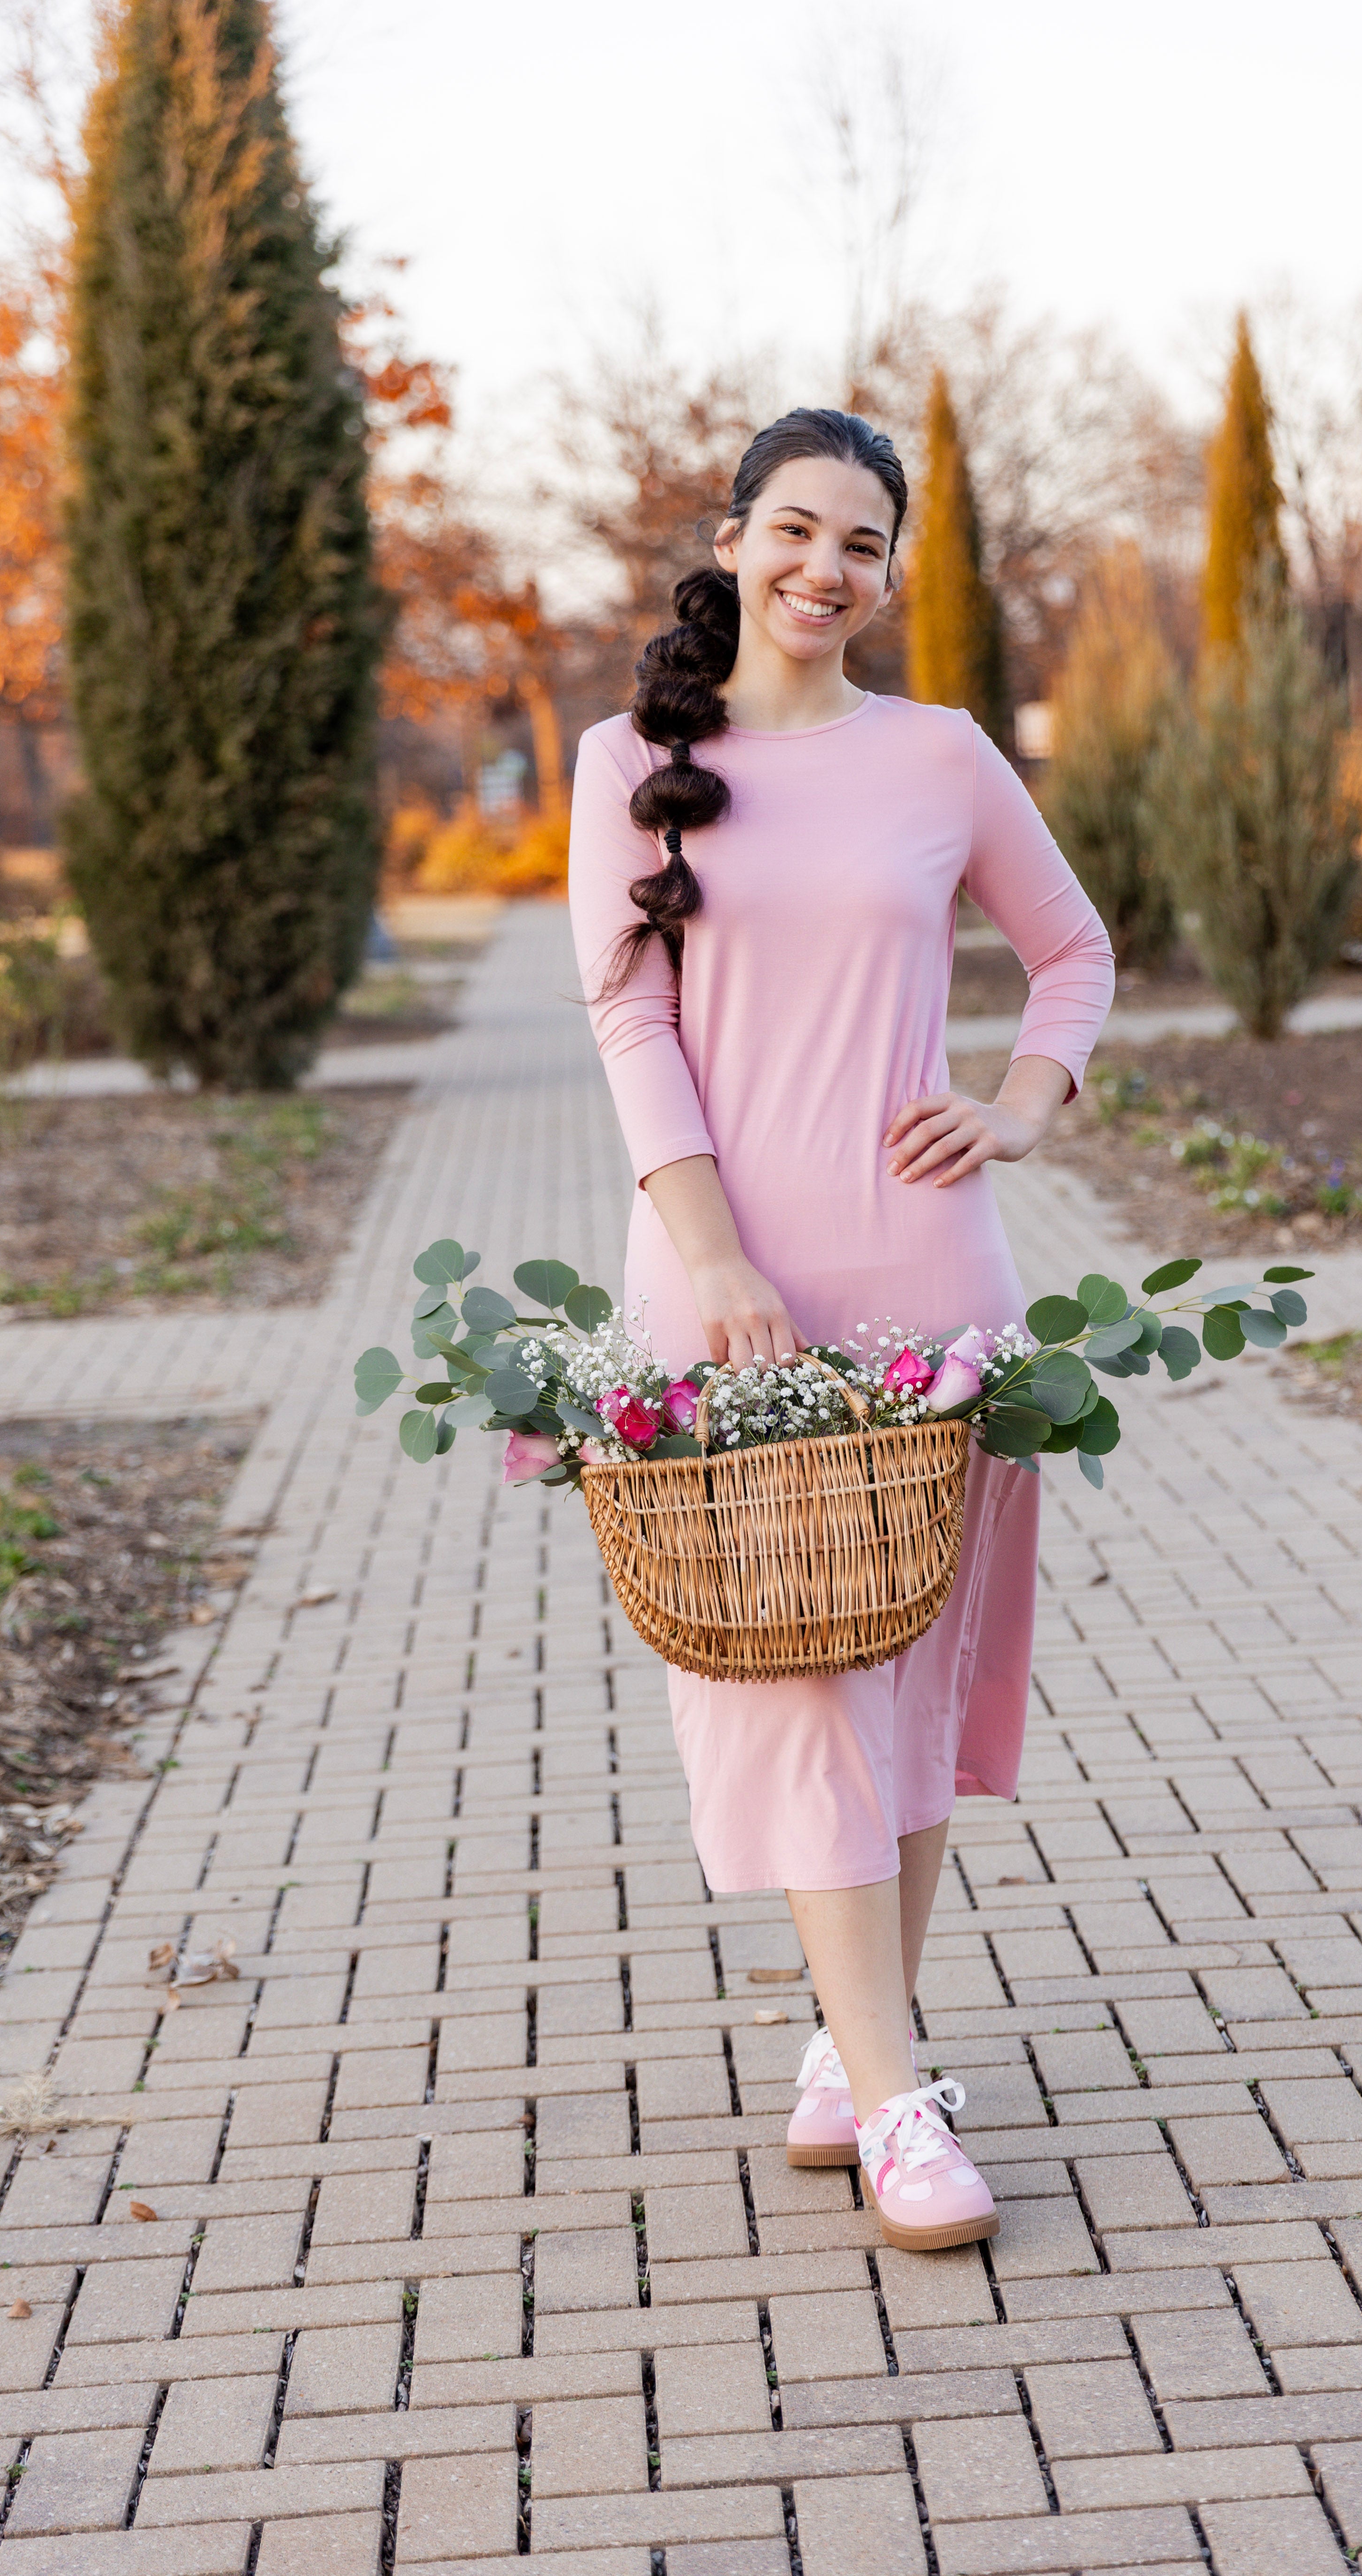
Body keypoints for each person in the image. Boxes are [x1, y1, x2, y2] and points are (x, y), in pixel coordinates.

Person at [568, 406, 1113, 2250]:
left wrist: (1025, 1107)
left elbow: (1074, 953)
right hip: (726, 1295)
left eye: (863, 544)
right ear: (734, 540)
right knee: (792, 1678)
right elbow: (631, 1024)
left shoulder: (943, 758)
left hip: (930, 1280)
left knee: (910, 1678)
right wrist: (713, 1261)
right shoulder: (627, 759)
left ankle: (852, 2056)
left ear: (890, 574)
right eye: (795, 529)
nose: (825, 567)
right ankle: (895, 2099)